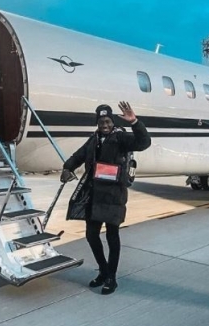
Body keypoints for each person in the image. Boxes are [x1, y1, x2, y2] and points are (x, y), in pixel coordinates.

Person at [61, 101, 151, 295]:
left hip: (113, 196)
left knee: (112, 236)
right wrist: (67, 167)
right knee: (91, 235)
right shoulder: (93, 139)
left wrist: (134, 122)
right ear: (97, 122)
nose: (105, 125)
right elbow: (78, 156)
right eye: (101, 122)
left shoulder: (121, 137)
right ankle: (103, 270)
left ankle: (112, 277)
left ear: (113, 121)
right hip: (94, 196)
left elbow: (144, 142)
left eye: (108, 121)